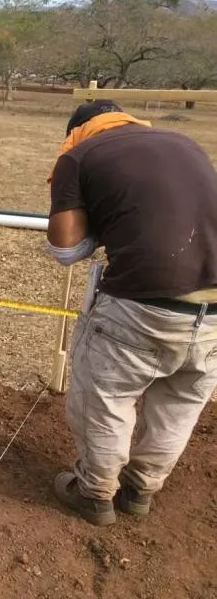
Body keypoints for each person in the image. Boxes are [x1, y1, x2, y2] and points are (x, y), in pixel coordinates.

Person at [47, 99, 217, 526]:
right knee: (180, 402)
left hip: (143, 304)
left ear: (78, 131)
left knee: (105, 398)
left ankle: (95, 493)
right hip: (214, 311)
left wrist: (102, 225)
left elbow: (66, 250)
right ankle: (141, 488)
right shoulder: (185, 143)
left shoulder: (78, 154)